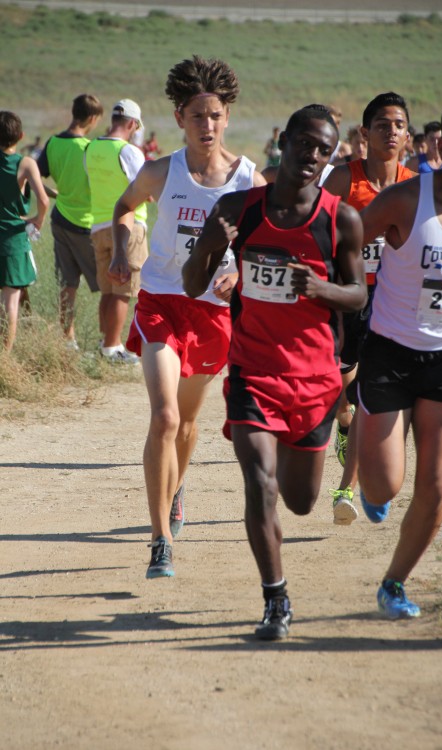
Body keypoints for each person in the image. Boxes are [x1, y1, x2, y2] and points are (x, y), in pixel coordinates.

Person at [183, 104, 367, 640]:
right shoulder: (240, 207)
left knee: (301, 501)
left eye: (323, 150)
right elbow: (195, 283)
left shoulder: (341, 219)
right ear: (283, 141)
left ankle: (324, 442)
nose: (311, 156)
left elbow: (356, 296)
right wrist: (211, 247)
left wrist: (320, 289)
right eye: (304, 143)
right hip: (253, 371)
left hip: (315, 380)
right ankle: (275, 599)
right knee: (259, 485)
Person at [109, 55, 265, 578]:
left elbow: (266, 244)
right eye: (197, 116)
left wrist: (240, 276)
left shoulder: (248, 180)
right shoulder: (161, 171)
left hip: (213, 313)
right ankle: (160, 539)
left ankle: (177, 489)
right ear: (179, 117)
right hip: (160, 301)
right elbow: (124, 206)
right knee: (166, 415)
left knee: (190, 421)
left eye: (216, 115)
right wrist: (121, 246)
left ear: (227, 117)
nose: (208, 125)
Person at [355, 90, 442, 619]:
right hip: (389, 353)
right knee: (383, 486)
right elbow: (344, 247)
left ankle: (393, 583)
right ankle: (370, 481)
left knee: (436, 487)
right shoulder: (404, 200)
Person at [322, 92, 415, 525]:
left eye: (398, 125)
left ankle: (347, 488)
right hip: (347, 299)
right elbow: (313, 227)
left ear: (408, 136)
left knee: (365, 395)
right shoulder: (344, 179)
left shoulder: (415, 185)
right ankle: (342, 425)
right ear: (365, 134)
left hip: (391, 304)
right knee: (340, 391)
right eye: (382, 124)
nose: (390, 131)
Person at [37, 94, 103, 349]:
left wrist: (53, 194)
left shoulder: (53, 142)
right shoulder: (88, 148)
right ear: (92, 118)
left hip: (60, 220)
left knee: (67, 285)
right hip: (86, 225)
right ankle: (106, 341)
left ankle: (68, 339)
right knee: (107, 286)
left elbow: (36, 174)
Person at [85, 99, 148, 363]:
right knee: (123, 291)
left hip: (98, 225)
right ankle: (113, 348)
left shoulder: (91, 148)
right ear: (133, 124)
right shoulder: (129, 151)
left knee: (108, 290)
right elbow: (144, 189)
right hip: (127, 226)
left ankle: (104, 344)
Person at [0, 111, 49, 351]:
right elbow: (44, 200)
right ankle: (6, 356)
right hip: (13, 240)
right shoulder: (25, 163)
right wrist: (37, 220)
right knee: (11, 301)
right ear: (21, 136)